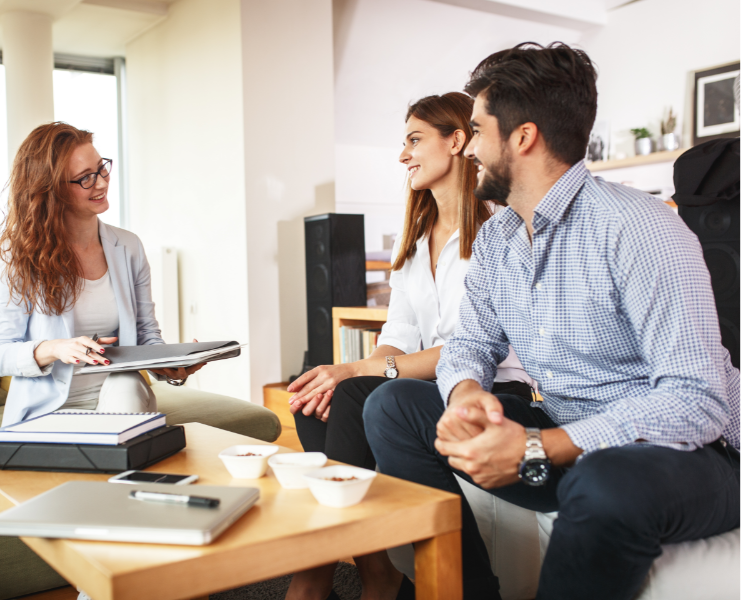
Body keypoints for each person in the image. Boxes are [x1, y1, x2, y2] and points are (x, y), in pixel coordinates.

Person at [362, 42, 740, 600]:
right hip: (563, 433)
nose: (469, 150)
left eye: (478, 131)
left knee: (604, 479)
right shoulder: (496, 237)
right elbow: (471, 342)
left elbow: (696, 403)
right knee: (391, 406)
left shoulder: (641, 230)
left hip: (688, 456)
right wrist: (465, 394)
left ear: (523, 137)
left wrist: (540, 448)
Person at [285, 93, 534, 600]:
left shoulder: (500, 230)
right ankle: (376, 569)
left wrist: (359, 372)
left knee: (358, 392)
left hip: (492, 388)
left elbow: (476, 346)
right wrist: (350, 371)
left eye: (415, 140)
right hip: (427, 384)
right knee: (318, 403)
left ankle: (316, 571)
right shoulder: (417, 240)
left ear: (457, 140)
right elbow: (396, 336)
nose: (403, 156)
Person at [0, 122, 203, 429]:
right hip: (46, 410)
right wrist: (54, 348)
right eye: (85, 178)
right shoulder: (21, 257)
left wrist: (168, 365)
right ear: (51, 189)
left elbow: (146, 334)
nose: (101, 182)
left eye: (101, 169)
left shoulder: (128, 246)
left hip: (119, 398)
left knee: (126, 386)